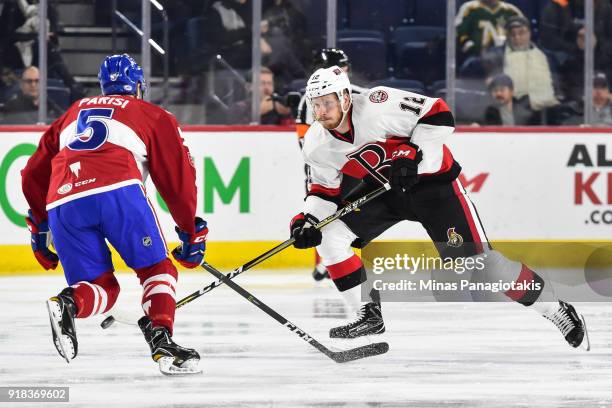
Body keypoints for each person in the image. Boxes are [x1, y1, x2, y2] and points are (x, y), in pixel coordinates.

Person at [289, 65, 589, 349]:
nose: (320, 111)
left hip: (434, 186)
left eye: (327, 102)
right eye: (315, 104)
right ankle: (367, 314)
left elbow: (439, 112)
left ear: (344, 97)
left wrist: (412, 152)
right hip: (385, 190)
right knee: (329, 237)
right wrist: (309, 219)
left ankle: (555, 308)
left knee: (481, 267)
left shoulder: (376, 105)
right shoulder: (316, 143)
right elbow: (323, 190)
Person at [20, 54, 207, 376]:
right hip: (117, 191)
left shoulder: (73, 112)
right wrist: (190, 229)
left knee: (99, 288)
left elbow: (32, 173)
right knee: (156, 268)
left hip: (62, 200)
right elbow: (177, 179)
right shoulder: (152, 114)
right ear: (138, 87)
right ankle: (162, 339)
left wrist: (39, 225)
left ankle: (68, 303)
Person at [294, 48, 367, 284]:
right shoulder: (310, 99)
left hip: (352, 166)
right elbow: (305, 140)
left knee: (349, 215)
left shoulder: (355, 95)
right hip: (326, 166)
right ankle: (323, 261)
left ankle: (339, 258)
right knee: (320, 213)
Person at [482, 16, 558, 111]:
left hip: (547, 108)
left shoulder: (546, 56)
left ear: (529, 33)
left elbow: (557, 84)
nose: (517, 37)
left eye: (521, 33)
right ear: (507, 36)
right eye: (512, 34)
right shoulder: (497, 55)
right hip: (512, 108)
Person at [455, 0, 524, 61]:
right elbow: (458, 33)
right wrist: (470, 48)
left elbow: (524, 34)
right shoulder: (470, 8)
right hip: (476, 61)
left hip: (506, 61)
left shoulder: (511, 11)